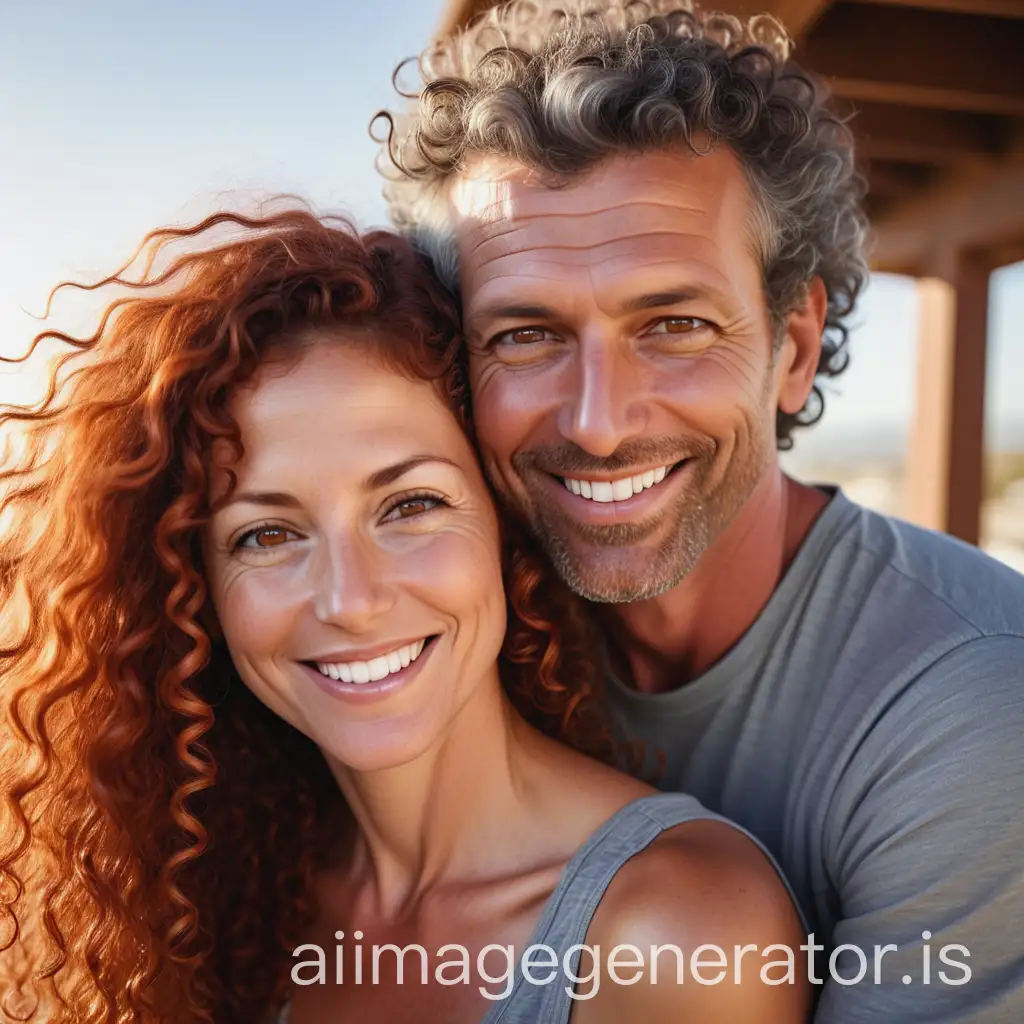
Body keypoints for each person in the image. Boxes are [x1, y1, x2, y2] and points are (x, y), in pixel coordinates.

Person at [377, 1, 1024, 1020]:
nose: (596, 424)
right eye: (525, 335)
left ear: (794, 345)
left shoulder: (974, 714)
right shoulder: (420, 627)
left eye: (673, 323)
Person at [0, 209, 809, 1023]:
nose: (351, 599)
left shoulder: (674, 936)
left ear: (504, 524)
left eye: (411, 504)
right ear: (188, 584)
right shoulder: (210, 898)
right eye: (268, 533)